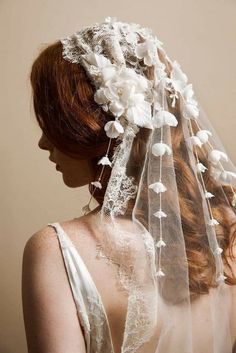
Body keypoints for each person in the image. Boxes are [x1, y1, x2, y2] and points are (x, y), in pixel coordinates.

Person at [22, 17, 236, 353]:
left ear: (91, 126)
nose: (43, 144)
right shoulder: (227, 231)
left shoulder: (56, 250)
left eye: (53, 123)